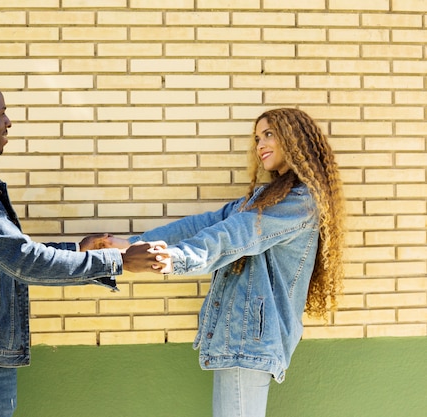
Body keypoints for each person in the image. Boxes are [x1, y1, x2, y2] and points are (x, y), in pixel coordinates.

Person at [0, 75, 167, 417]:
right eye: (0, 112)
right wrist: (118, 261)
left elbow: (4, 253)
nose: (8, 121)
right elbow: (21, 261)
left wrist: (76, 250)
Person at [108, 108, 345, 417]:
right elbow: (205, 223)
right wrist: (135, 244)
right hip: (241, 337)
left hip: (250, 339)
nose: (260, 144)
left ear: (295, 138)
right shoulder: (265, 197)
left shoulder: (300, 202)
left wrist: (177, 259)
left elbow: (236, 234)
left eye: (269, 134)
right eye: (257, 137)